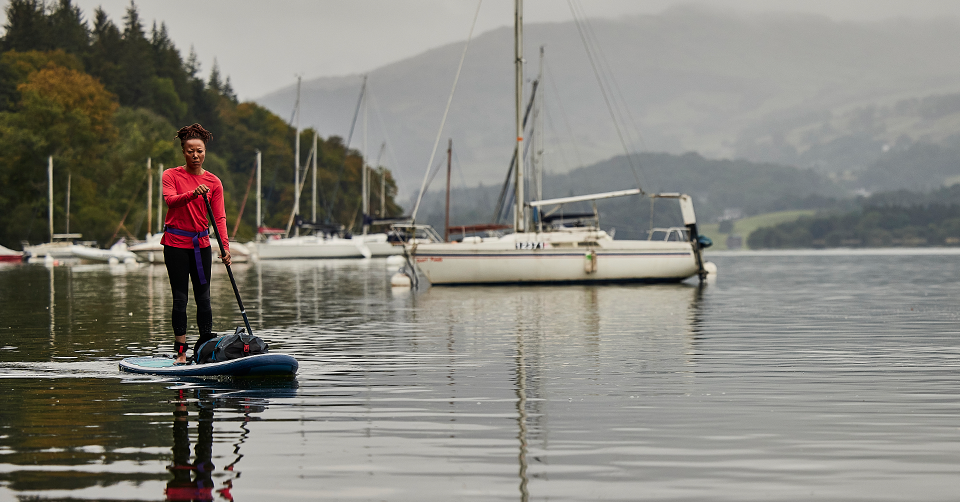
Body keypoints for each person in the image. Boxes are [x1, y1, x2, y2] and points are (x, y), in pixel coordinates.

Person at [162, 123, 231, 364]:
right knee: (180, 299)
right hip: (175, 244)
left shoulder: (214, 182)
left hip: (201, 245)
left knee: (204, 298)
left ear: (205, 152)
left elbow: (219, 217)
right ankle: (181, 352)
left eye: (199, 150)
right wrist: (193, 193)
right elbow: (170, 201)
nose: (195, 155)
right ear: (183, 151)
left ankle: (205, 349)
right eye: (190, 150)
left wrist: (225, 247)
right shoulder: (171, 175)